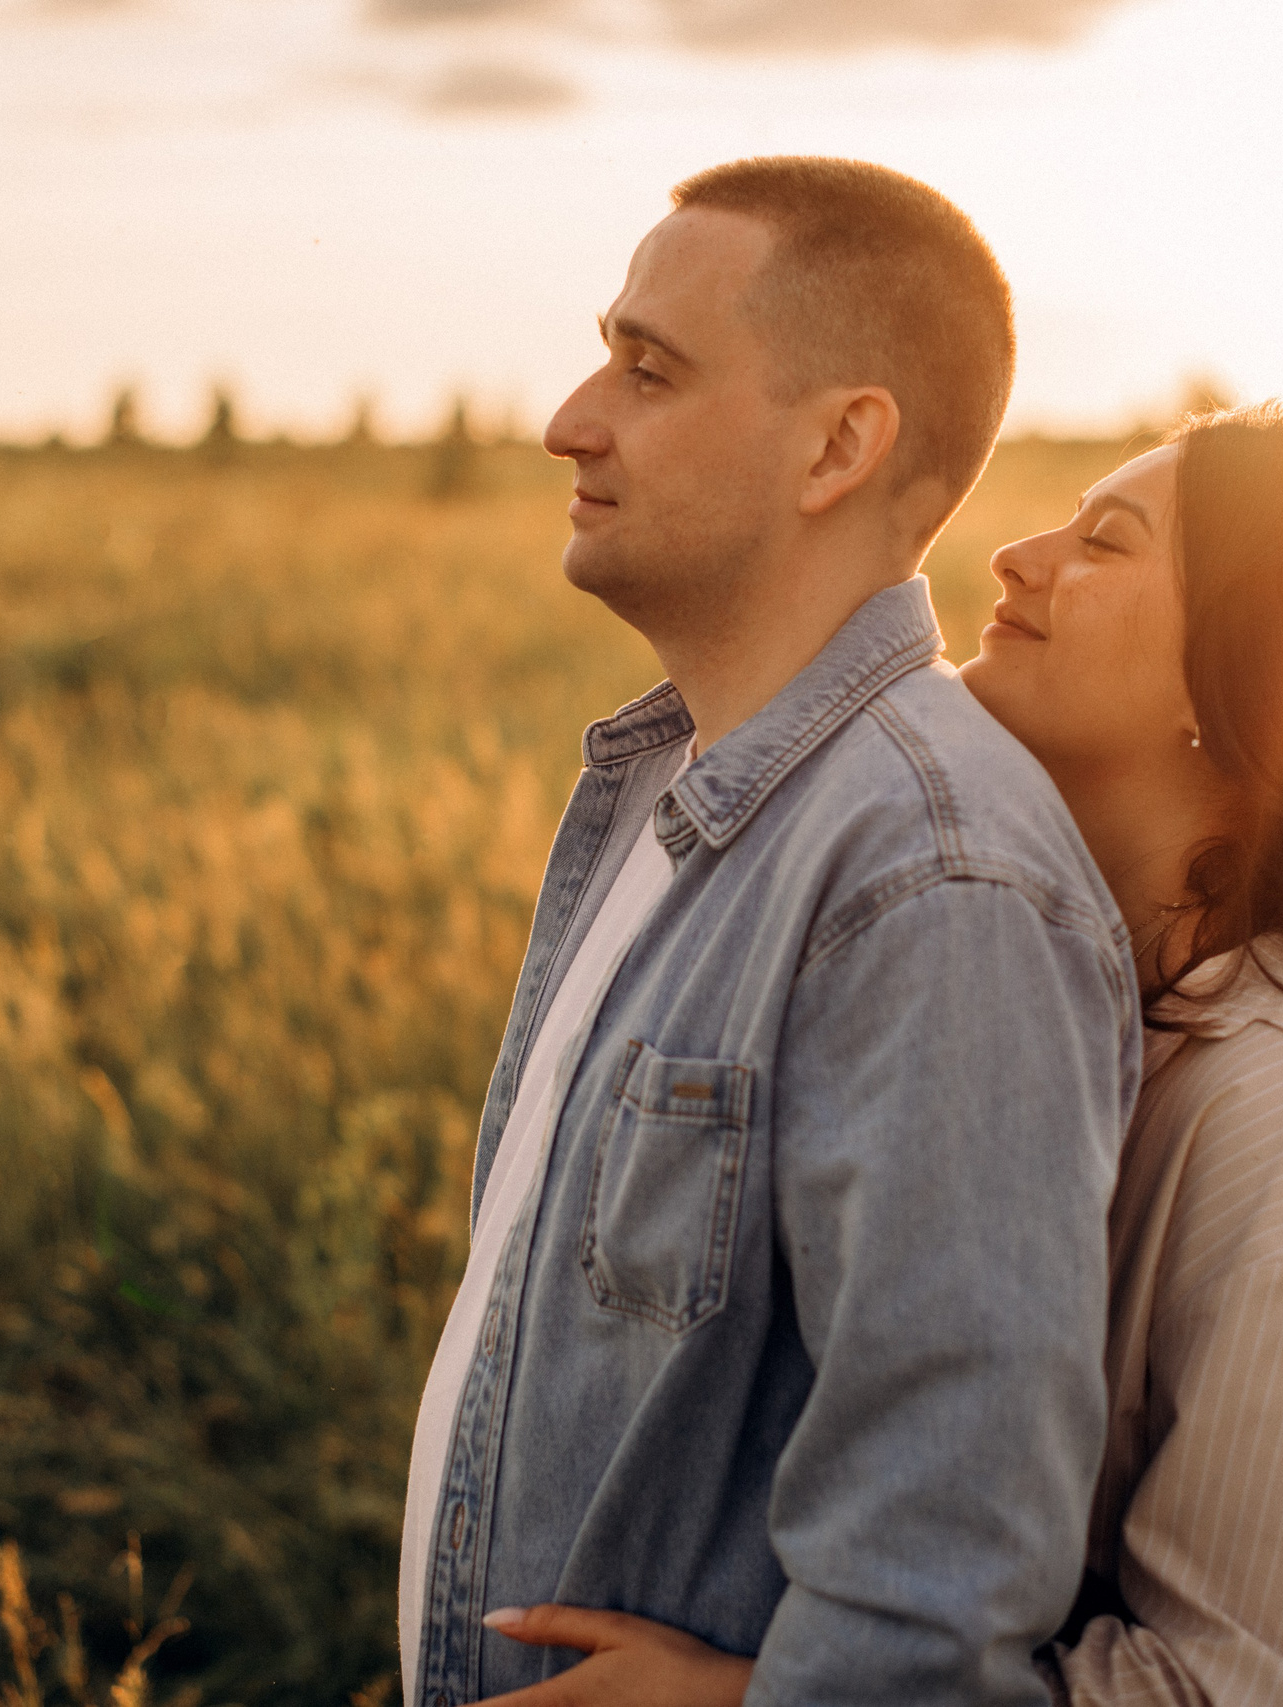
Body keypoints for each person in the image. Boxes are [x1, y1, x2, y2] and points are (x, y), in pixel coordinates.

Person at [473, 405, 1283, 1705]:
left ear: (1239, 681)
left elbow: (1257, 1692)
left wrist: (756, 1698)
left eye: (1108, 542)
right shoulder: (1087, 989)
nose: (1016, 557)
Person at [396, 159, 1143, 1707]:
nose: (571, 419)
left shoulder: (934, 883)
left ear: (839, 446)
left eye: (648, 369)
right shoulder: (670, 789)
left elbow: (939, 1566)